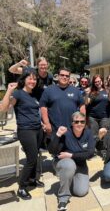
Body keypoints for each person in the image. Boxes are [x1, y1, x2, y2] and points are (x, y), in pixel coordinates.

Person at [0, 71, 44, 200]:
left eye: (34, 79)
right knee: (31, 158)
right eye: (30, 79)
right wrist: (9, 90)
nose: (33, 81)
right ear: (24, 80)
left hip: (37, 129)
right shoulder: (18, 93)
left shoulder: (34, 94)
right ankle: (22, 187)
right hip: (26, 130)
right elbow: (4, 108)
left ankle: (32, 180)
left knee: (35, 156)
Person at [48, 112, 95, 211]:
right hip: (64, 162)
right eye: (76, 121)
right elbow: (52, 151)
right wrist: (58, 135)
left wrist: (71, 155)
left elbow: (90, 153)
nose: (79, 124)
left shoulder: (88, 133)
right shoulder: (66, 133)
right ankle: (63, 199)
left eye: (82, 121)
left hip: (80, 164)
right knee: (69, 165)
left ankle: (69, 179)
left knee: (81, 192)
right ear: (72, 123)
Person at [40, 67, 85, 135]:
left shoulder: (76, 91)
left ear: (69, 78)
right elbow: (43, 107)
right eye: (62, 75)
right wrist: (47, 123)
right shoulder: (49, 90)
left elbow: (82, 107)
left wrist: (82, 123)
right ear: (58, 76)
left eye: (67, 76)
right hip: (54, 129)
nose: (64, 77)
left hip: (72, 129)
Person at [85, 75, 110, 140]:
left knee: (104, 134)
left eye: (99, 81)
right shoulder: (92, 92)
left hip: (105, 117)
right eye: (95, 82)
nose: (97, 83)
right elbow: (86, 103)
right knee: (94, 136)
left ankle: (102, 149)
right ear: (94, 83)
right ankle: (94, 149)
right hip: (93, 118)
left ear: (102, 81)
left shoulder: (107, 91)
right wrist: (87, 94)